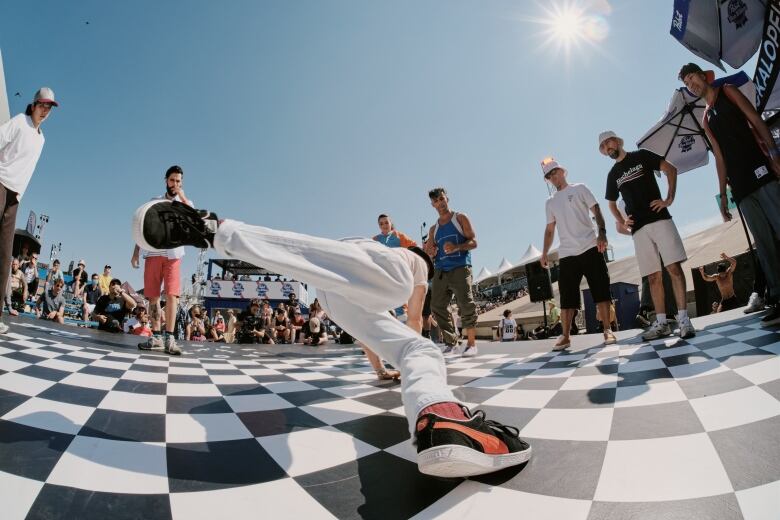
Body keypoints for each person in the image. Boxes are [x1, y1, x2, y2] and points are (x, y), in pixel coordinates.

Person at [133, 199, 532, 477]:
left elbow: (369, 335)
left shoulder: (374, 253)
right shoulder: (413, 260)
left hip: (338, 295)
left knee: (420, 350)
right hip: (366, 269)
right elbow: (413, 314)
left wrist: (381, 366)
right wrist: (404, 325)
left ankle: (439, 414)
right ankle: (214, 230)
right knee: (394, 315)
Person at [680, 63, 780, 327]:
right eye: (687, 84)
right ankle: (778, 298)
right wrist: (723, 195)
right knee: (764, 243)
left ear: (704, 76)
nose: (692, 85)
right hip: (741, 187)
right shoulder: (705, 119)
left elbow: (755, 120)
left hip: (760, 170)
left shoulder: (728, 91)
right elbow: (720, 158)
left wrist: (773, 153)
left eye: (693, 79)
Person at [599, 130, 696, 340]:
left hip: (660, 219)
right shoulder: (613, 174)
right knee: (653, 276)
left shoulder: (641, 156)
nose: (607, 148)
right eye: (603, 146)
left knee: (674, 269)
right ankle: (661, 323)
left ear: (618, 141)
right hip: (639, 230)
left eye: (609, 142)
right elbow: (611, 204)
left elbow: (670, 169)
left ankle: (684, 320)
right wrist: (622, 220)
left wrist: (668, 199)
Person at [540, 157, 617, 350]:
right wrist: (544, 253)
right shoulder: (550, 202)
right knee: (567, 297)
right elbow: (550, 230)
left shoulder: (580, 188)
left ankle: (607, 330)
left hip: (591, 245)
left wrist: (602, 233)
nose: (553, 177)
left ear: (562, 172)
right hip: (567, 253)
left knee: (601, 290)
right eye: (549, 176)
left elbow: (596, 209)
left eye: (554, 172)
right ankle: (565, 336)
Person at [0, 88, 58, 334]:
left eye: (49, 107)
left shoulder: (42, 138)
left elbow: (29, 168)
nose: (45, 110)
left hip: (15, 195)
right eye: (42, 105)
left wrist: (20, 194)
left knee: (4, 255)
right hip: (0, 182)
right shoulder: (19, 122)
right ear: (33, 104)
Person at [132, 165, 191, 354]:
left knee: (172, 295)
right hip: (154, 253)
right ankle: (156, 336)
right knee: (153, 297)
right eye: (172, 180)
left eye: (179, 181)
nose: (175, 184)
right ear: (166, 180)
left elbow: (192, 218)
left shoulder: (185, 202)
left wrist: (182, 197)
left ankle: (170, 339)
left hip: (173, 255)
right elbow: (144, 228)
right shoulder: (154, 202)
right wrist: (135, 252)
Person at [423, 187, 479, 357]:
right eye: (436, 201)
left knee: (465, 303)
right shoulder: (433, 229)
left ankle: (471, 344)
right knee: (437, 305)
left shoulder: (460, 218)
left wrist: (456, 247)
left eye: (441, 199)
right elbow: (430, 251)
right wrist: (430, 251)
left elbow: (474, 242)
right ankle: (451, 343)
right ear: (432, 205)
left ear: (447, 198)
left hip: (460, 267)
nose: (440, 203)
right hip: (441, 270)